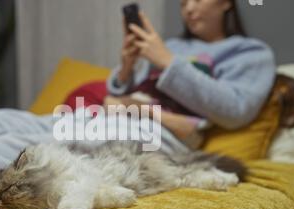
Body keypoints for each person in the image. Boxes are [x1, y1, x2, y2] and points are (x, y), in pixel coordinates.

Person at [105, 0, 276, 148]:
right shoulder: (171, 46)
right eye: (183, 3)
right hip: (127, 116)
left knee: (104, 140)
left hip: (163, 131)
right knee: (84, 119)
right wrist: (126, 68)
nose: (189, 9)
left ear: (226, 2)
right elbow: (126, 96)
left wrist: (168, 62)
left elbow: (235, 110)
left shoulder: (251, 52)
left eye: (198, 0)